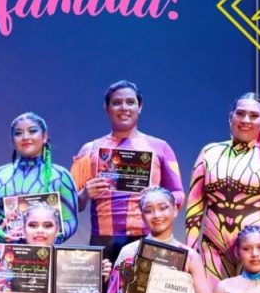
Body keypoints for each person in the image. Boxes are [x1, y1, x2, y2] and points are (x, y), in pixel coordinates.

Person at [184, 93, 260, 287]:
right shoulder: (209, 153)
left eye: (253, 115)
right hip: (213, 247)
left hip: (255, 250)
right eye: (240, 113)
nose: (246, 120)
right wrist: (190, 250)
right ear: (231, 117)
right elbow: (195, 205)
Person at [70, 80, 184, 264]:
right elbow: (71, 204)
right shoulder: (90, 149)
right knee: (103, 285)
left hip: (148, 236)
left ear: (140, 107)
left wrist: (158, 198)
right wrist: (84, 194)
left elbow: (178, 194)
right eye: (117, 103)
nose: (124, 108)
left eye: (130, 102)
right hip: (103, 241)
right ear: (106, 108)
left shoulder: (160, 147)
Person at [0, 112, 78, 243]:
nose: (25, 137)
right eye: (18, 133)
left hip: (43, 252)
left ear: (44, 137)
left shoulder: (61, 176)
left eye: (32, 131)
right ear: (12, 140)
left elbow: (70, 220)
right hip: (4, 252)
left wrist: (51, 238)